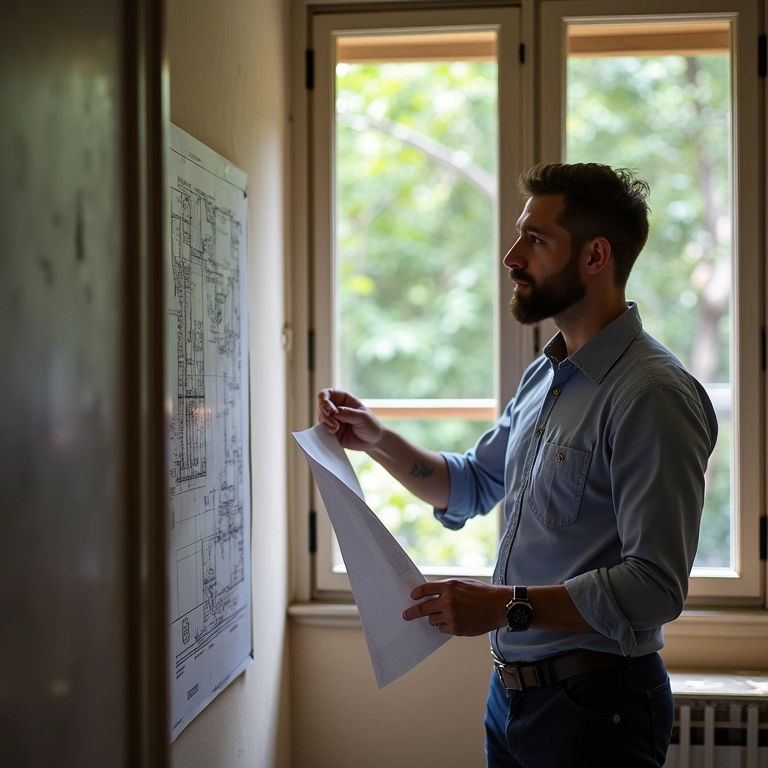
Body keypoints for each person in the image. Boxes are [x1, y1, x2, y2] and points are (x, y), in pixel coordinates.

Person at [317, 162, 718, 768]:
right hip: (511, 699)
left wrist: (506, 605)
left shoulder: (651, 395)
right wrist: (375, 440)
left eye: (535, 239)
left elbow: (655, 588)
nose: (511, 256)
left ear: (595, 256)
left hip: (597, 710)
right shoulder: (545, 376)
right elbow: (474, 484)